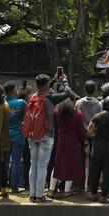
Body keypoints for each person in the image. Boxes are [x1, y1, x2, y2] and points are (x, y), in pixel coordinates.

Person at [25, 73, 73, 203]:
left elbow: (43, 88)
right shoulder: (51, 98)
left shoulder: (32, 97)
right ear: (47, 85)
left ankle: (32, 194)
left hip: (31, 134)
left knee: (33, 164)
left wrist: (53, 80)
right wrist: (65, 81)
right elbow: (68, 93)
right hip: (46, 135)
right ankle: (40, 195)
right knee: (42, 166)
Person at [48, 99, 87, 198]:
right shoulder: (77, 113)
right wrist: (85, 141)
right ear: (72, 102)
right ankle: (67, 191)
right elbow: (81, 130)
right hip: (73, 142)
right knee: (71, 166)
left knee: (57, 165)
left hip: (61, 141)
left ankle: (51, 190)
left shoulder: (57, 112)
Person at [3, 81, 27, 193]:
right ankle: (14, 186)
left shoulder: (2, 103)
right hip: (18, 136)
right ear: (13, 91)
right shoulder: (21, 102)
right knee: (16, 162)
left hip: (5, 137)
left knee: (5, 162)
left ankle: (3, 185)